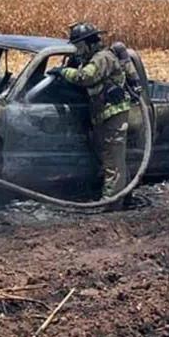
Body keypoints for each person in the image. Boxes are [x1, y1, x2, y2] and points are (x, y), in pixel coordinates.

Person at [50, 22, 135, 206]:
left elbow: (86, 77)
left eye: (78, 45)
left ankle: (111, 206)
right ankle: (124, 198)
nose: (77, 50)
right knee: (111, 160)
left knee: (113, 163)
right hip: (104, 116)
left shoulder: (102, 58)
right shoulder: (91, 58)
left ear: (88, 42)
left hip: (113, 117)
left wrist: (63, 71)